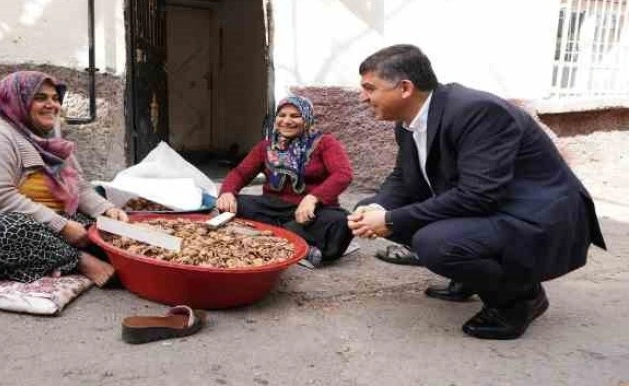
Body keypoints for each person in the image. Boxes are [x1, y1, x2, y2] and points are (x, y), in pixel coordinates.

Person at [348, 45, 606, 339]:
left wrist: (391, 219)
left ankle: (520, 299)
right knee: (372, 209)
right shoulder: (408, 122)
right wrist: (379, 208)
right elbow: (403, 178)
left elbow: (478, 195)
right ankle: (472, 276)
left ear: (405, 88)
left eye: (370, 88)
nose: (363, 97)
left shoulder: (477, 112)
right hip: (492, 207)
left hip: (540, 218)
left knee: (435, 242)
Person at [0, 71, 128, 286]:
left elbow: (79, 187)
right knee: (0, 232)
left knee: (112, 231)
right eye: (40, 98)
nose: (52, 105)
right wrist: (62, 226)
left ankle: (70, 254)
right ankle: (79, 261)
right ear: (16, 101)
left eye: (55, 98)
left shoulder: (52, 143)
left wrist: (106, 210)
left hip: (47, 222)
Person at [216, 95, 354, 267]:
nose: (286, 121)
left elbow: (343, 174)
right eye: (282, 115)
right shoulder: (266, 147)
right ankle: (298, 244)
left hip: (312, 212)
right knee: (233, 205)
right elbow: (240, 173)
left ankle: (269, 238)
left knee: (342, 222)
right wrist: (227, 192)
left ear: (307, 118)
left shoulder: (325, 143)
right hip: (273, 208)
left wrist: (312, 198)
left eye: (295, 116)